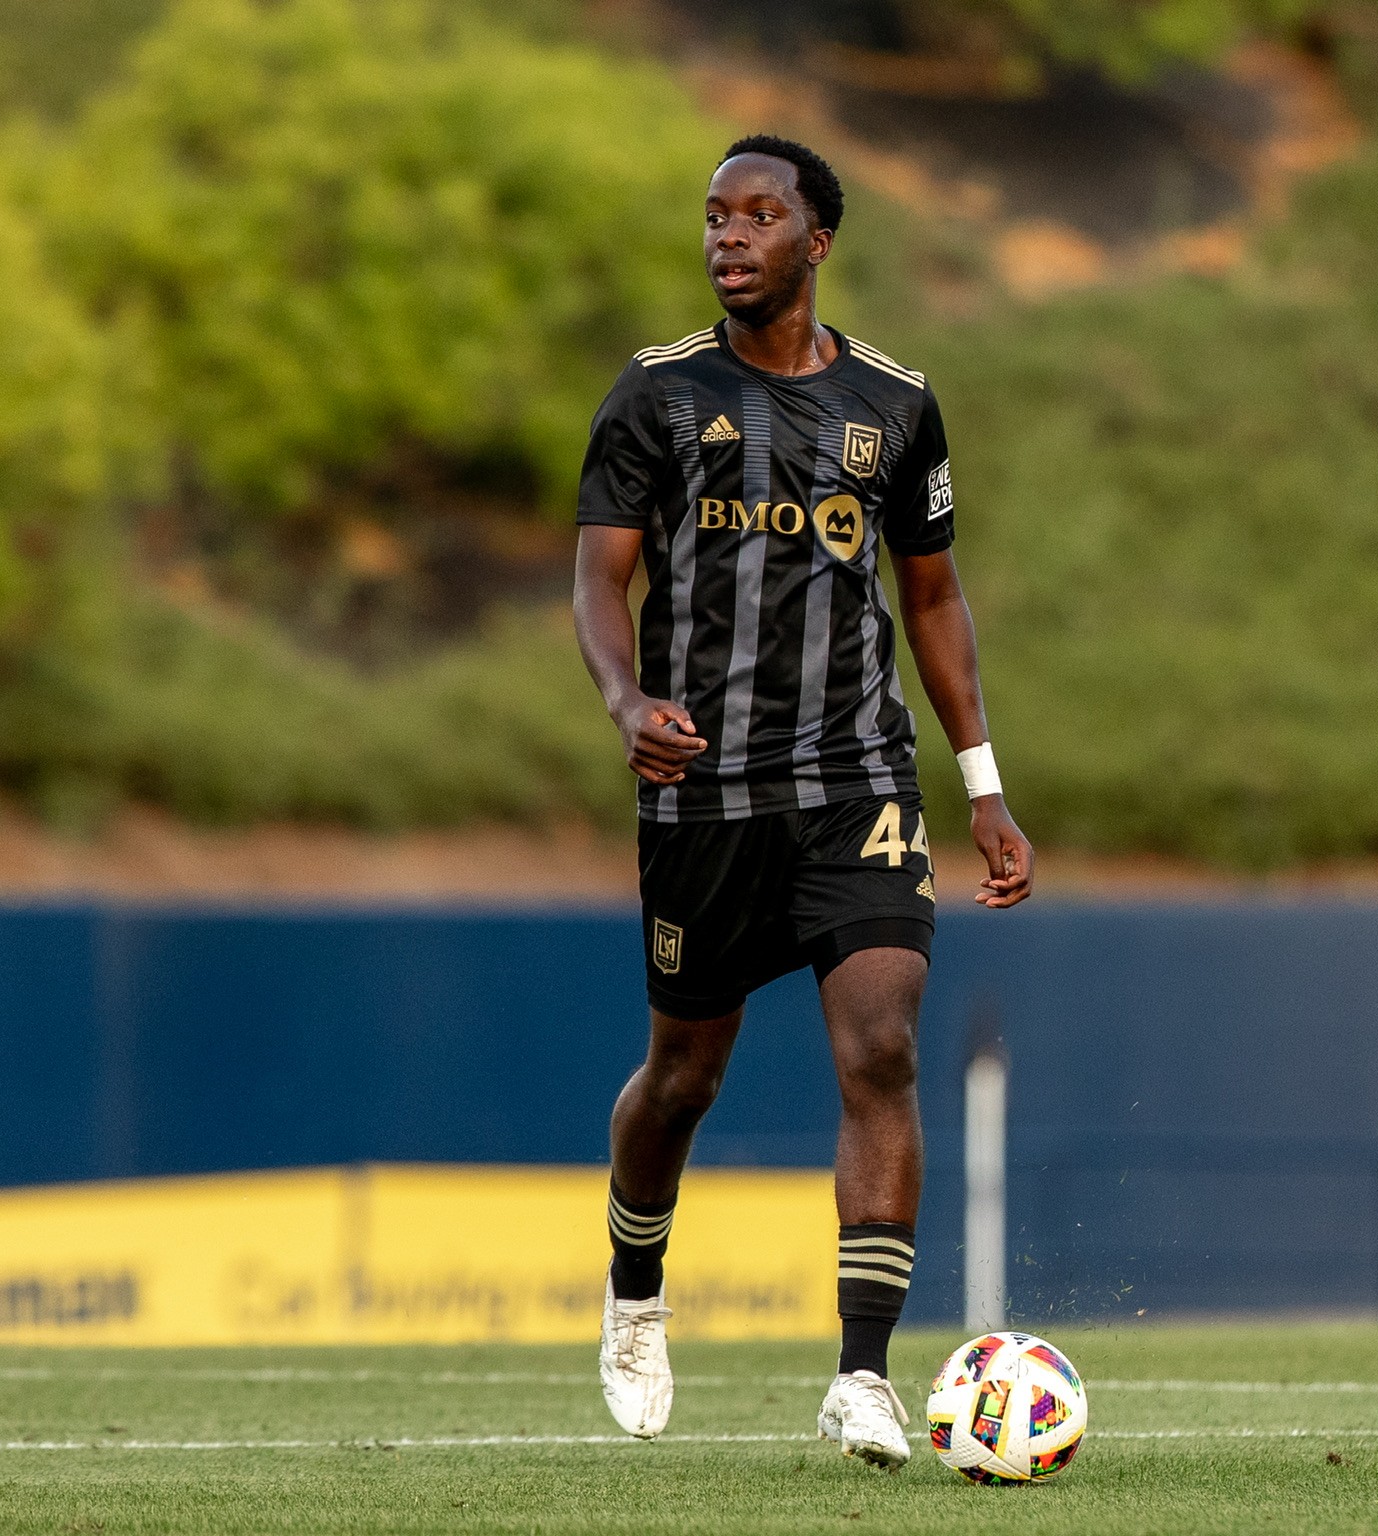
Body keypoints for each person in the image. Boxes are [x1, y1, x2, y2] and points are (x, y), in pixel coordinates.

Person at [573, 133, 1034, 1469]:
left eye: (758, 214)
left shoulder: (896, 404)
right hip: (703, 789)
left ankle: (862, 1379)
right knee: (683, 1078)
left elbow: (933, 598)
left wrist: (984, 788)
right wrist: (622, 705)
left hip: (861, 775)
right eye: (714, 215)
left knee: (880, 1049)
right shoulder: (655, 396)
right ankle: (636, 1294)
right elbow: (600, 579)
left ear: (816, 239)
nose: (727, 236)